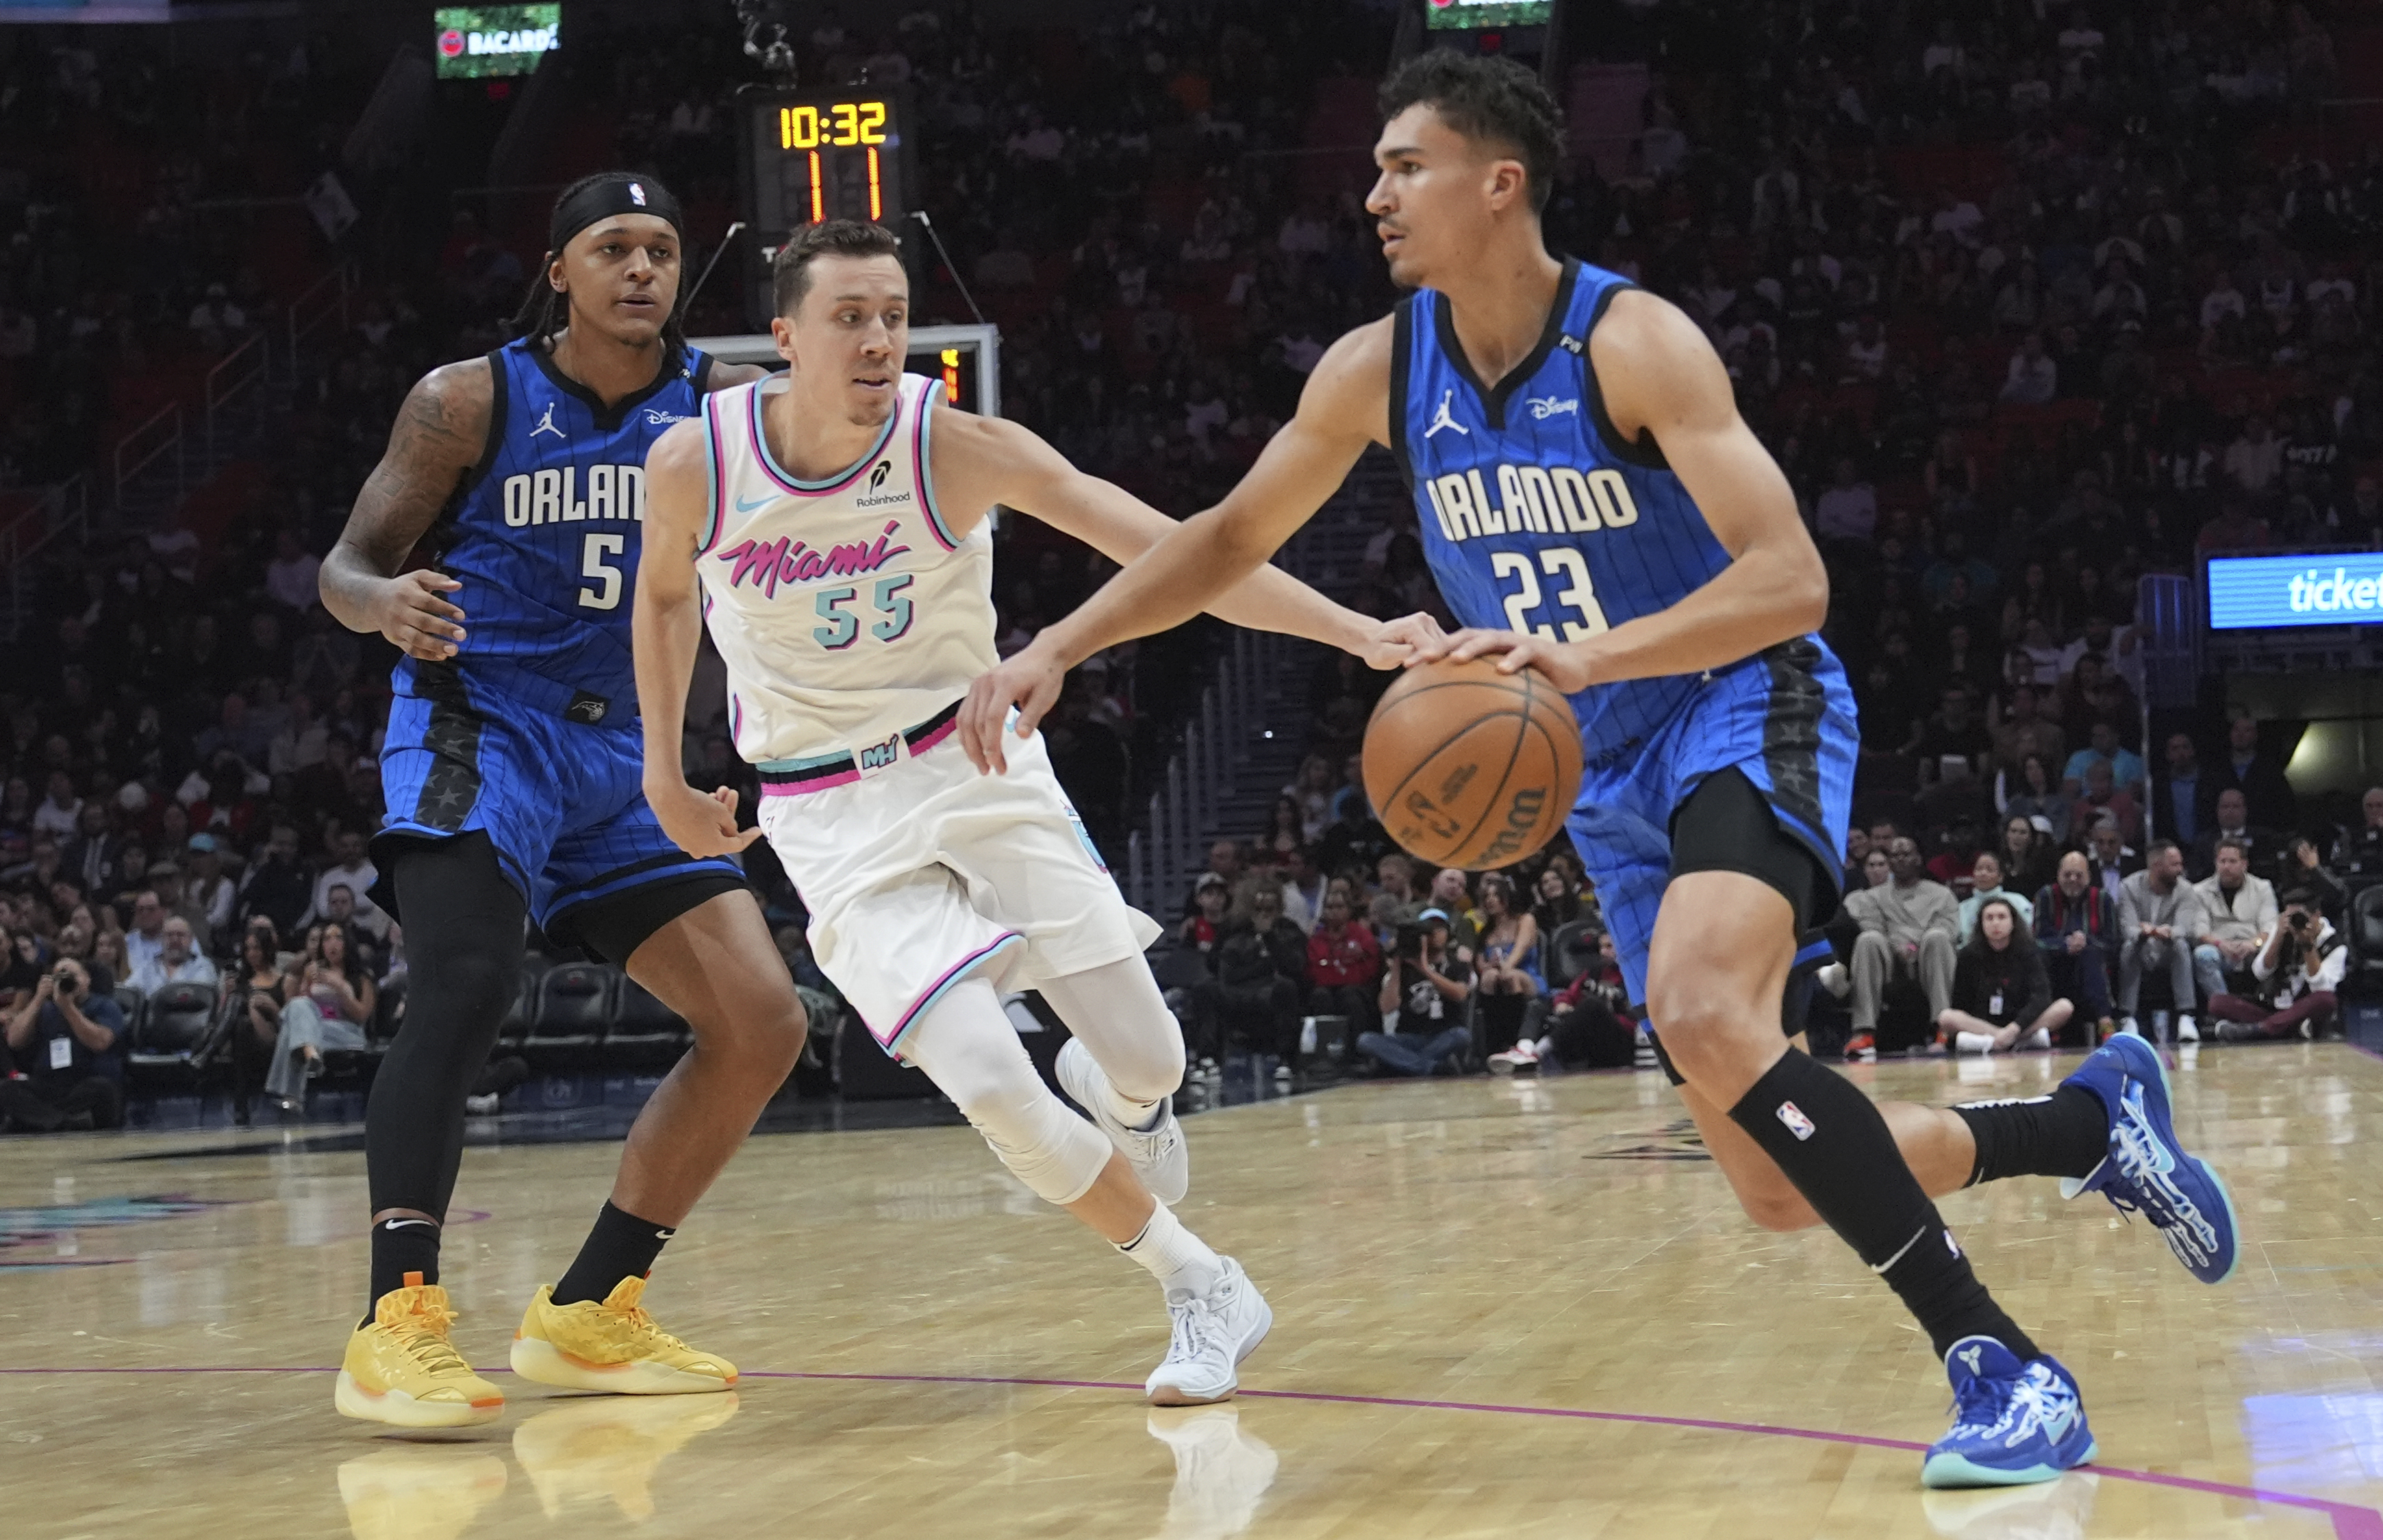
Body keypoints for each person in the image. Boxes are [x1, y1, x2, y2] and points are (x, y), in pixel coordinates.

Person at [961, 51, 2235, 1485]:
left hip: (1742, 701)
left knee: (1697, 1001)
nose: (1373, 191)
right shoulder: (1379, 367)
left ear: (1497, 181)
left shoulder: (1633, 341)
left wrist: (1592, 655)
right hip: (1604, 766)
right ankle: (2083, 1121)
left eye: (1405, 165)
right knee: (1767, 1179)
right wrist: (1059, 642)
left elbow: (1793, 579)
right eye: (1375, 166)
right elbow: (1224, 537)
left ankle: (2005, 1364)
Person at [634, 219, 1405, 1405]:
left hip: (976, 765)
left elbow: (1176, 550)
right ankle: (1202, 1282)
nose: (881, 338)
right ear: (782, 335)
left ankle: (1128, 1096)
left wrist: (1355, 631)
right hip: (827, 814)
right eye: (850, 316)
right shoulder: (697, 460)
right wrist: (661, 771)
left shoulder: (957, 448)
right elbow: (666, 597)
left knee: (1151, 1054)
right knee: (993, 1080)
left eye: (894, 314)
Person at [316, 173, 812, 1428]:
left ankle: (591, 1308)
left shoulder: (720, 410)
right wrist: (382, 604)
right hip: (484, 727)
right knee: (471, 982)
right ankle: (398, 1318)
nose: (641, 267)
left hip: (631, 759)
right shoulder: (468, 398)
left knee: (761, 1020)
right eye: (613, 247)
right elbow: (347, 564)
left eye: (660, 247)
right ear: (560, 271)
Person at [1846, 837, 1959, 1053]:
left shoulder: (1941, 895)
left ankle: (1943, 1026)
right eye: (1894, 855)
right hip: (1890, 962)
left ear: (1918, 859)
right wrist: (1898, 945)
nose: (1900, 859)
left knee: (1937, 937)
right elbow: (1872, 925)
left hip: (1928, 960)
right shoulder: (1873, 897)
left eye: (1906, 854)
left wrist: (1914, 946)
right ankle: (1864, 1032)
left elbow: (1948, 928)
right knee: (1868, 939)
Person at [0, 957, 125, 1131]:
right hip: (48, 1083)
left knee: (104, 1089)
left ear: (87, 979)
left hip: (84, 1081)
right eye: (59, 976)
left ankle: (44, 1120)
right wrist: (38, 998)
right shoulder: (46, 1009)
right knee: (6, 1088)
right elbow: (14, 1041)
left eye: (72, 975)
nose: (66, 981)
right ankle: (61, 1123)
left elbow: (100, 1043)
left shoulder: (104, 1005)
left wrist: (68, 1008)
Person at [265, 922, 377, 1111]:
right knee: (298, 1007)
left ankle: (291, 1094)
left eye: (338, 938)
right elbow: (300, 1008)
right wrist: (307, 984)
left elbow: (361, 1015)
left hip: (347, 1033)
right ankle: (310, 1052)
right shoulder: (314, 972)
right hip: (317, 1031)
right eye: (327, 939)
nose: (332, 943)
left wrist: (339, 987)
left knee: (291, 1030)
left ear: (347, 943)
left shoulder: (361, 977)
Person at [1938, 896, 2071, 1054]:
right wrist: (2000, 1033)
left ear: (2013, 922)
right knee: (1946, 1017)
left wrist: (2015, 1028)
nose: (1996, 923)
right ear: (1981, 923)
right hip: (1983, 1025)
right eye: (1989, 918)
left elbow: (2041, 997)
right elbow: (1959, 1003)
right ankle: (2010, 1042)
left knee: (2064, 1007)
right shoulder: (1968, 955)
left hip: (2022, 1023)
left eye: (2002, 917)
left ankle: (1998, 1042)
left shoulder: (2030, 951)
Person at [2209, 888, 2342, 1041]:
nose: (2294, 922)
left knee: (2326, 999)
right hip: (2275, 1007)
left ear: (2317, 916)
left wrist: (2308, 946)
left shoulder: (2335, 945)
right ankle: (2290, 1029)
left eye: (2299, 917)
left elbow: (2321, 989)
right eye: (2289, 916)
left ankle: (2260, 1030)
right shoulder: (2281, 930)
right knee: (2217, 1002)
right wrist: (2278, 935)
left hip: (2304, 1008)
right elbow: (2260, 972)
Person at [1363, 911, 1473, 1075]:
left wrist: (1425, 969)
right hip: (1409, 1036)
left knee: (1462, 1035)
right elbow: (1387, 1007)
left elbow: (1460, 995)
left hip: (1443, 1034)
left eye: (1440, 929)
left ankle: (1404, 1064)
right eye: (1429, 931)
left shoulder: (1457, 965)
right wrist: (1397, 966)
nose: (1435, 934)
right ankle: (1430, 1067)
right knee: (1366, 1041)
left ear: (1449, 933)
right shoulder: (1405, 968)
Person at [2117, 841, 2204, 1041]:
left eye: (2180, 864)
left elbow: (2186, 928)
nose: (2180, 870)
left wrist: (2167, 932)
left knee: (2180, 945)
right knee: (2130, 946)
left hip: (2168, 949)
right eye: (2174, 865)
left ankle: (2186, 1016)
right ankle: (2127, 1017)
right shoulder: (2129, 887)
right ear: (2156, 866)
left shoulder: (2186, 890)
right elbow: (2127, 927)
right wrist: (2143, 932)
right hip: (2142, 948)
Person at [2034, 852, 2116, 1039]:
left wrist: (2086, 942)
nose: (2073, 879)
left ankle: (2105, 1021)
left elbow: (2113, 941)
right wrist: (2065, 945)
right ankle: (2051, 1022)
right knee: (2039, 956)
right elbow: (2038, 938)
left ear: (2088, 876)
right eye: (2067, 875)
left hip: (2092, 964)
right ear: (2058, 875)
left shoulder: (2103, 899)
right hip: (2056, 962)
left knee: (2090, 954)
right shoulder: (2046, 896)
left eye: (2079, 875)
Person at [2191, 839, 2275, 1005]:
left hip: (2253, 947)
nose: (2226, 867)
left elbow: (2270, 927)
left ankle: (2268, 1005)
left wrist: (2254, 943)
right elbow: (2200, 931)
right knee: (2203, 956)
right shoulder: (2199, 891)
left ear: (2244, 864)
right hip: (2220, 948)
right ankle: (2227, 1007)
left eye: (2232, 861)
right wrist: (2220, 944)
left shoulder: (2263, 887)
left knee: (2273, 951)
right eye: (2222, 861)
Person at [1470, 872, 1542, 1058]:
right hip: (1496, 982)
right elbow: (1480, 966)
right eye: (1487, 896)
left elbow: (1519, 952)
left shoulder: (1525, 920)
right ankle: (1493, 1047)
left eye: (1496, 895)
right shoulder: (1486, 932)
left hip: (1527, 976)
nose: (1491, 900)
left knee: (1509, 976)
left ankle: (1516, 1042)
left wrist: (1503, 966)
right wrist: (1488, 967)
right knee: (1489, 977)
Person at [1304, 889, 1382, 1037]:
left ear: (1349, 910)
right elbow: (1314, 974)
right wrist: (1347, 966)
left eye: (1339, 907)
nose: (1334, 912)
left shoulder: (1363, 937)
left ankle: (1357, 1049)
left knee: (1350, 995)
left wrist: (1332, 968)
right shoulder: (1316, 941)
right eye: (1329, 907)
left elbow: (1368, 973)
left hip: (1358, 991)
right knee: (1320, 995)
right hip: (1325, 990)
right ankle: (1324, 1047)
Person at [129, 916, 218, 996]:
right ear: (161, 940)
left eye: (180, 935)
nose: (175, 940)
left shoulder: (203, 966)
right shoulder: (147, 968)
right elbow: (128, 992)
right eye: (169, 935)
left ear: (191, 940)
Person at [1956, 851, 2033, 943]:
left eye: (1990, 870)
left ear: (2000, 876)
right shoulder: (1962, 908)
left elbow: (2029, 930)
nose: (1983, 873)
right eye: (1979, 869)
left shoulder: (2018, 901)